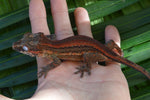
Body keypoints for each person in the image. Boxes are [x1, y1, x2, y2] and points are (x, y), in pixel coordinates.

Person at [0, 0, 131, 100]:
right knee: (109, 44)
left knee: (87, 57)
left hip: (99, 53)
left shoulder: (52, 53)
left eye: (24, 48)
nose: (19, 47)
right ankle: (114, 49)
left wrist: (46, 68)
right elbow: (51, 37)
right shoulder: (50, 46)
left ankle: (87, 67)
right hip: (98, 47)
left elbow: (57, 62)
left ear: (38, 52)